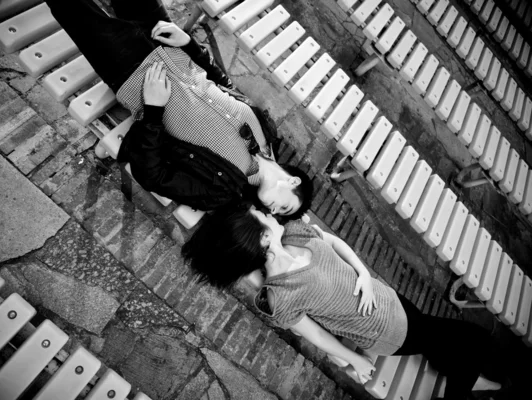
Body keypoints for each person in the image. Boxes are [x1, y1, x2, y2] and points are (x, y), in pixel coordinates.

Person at [182, 205, 504, 400]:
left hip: (385, 296)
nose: (267, 211)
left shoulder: (294, 232)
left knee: (441, 340)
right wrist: (356, 360)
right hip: (385, 331)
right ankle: (472, 384)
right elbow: (318, 338)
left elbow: (334, 242)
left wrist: (362, 272)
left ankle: (481, 381)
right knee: (467, 338)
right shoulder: (279, 296)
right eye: (261, 215)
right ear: (264, 238)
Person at [45, 0, 313, 218]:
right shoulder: (268, 133)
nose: (273, 210)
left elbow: (152, 175)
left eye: (275, 214)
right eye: (285, 206)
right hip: (171, 46)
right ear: (294, 183)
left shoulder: (222, 192)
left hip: (132, 72)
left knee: (72, 6)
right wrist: (188, 43)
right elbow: (223, 83)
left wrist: (152, 110)